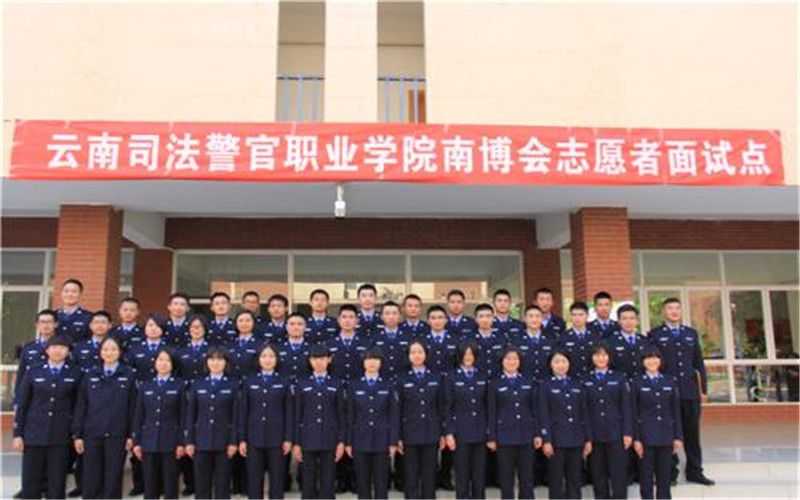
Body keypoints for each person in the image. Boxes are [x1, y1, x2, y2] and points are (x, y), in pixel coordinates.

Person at [647, 297, 714, 486]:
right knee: (668, 434)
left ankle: (695, 471)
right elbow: (653, 364)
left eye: (677, 308)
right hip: (667, 393)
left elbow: (698, 363)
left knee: (692, 434)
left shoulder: (690, 334)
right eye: (670, 308)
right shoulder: (655, 334)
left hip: (690, 392)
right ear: (664, 311)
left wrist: (703, 390)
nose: (674, 311)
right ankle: (670, 473)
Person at [13, 336, 80, 499]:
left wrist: (76, 433)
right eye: (54, 347)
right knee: (31, 482)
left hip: (60, 435)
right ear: (47, 350)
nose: (58, 350)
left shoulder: (75, 373)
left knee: (56, 482)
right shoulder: (34, 371)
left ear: (68, 352)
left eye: (62, 348)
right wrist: (17, 434)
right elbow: (23, 405)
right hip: (34, 434)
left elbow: (78, 406)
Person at [72, 336, 135, 499]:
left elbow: (133, 408)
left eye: (113, 349)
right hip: (92, 433)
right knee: (91, 477)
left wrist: (131, 435)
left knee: (113, 477)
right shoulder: (90, 374)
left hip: (117, 434)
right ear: (100, 352)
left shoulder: (128, 374)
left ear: (119, 352)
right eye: (105, 349)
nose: (109, 353)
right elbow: (81, 406)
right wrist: (78, 435)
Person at [238, 344, 294, 499]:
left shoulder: (284, 381)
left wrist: (288, 438)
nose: (267, 360)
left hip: (277, 439)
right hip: (254, 438)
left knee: (277, 481)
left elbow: (289, 412)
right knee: (254, 482)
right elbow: (243, 412)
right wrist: (242, 439)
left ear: (277, 359)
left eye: (271, 356)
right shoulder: (249, 381)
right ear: (258, 359)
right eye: (264, 356)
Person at [131, 348, 186, 500]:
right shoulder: (145, 386)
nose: (163, 364)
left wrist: (181, 442)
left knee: (170, 485)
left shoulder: (179, 385)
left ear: (173, 364)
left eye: (167, 361)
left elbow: (183, 416)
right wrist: (136, 442)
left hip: (171, 442)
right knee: (150, 485)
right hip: (148, 441)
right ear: (155, 363)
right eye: (160, 360)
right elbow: (139, 416)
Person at [293, 344, 347, 499]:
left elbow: (341, 415)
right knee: (308, 483)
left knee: (328, 482)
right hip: (307, 439)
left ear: (329, 360)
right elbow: (297, 415)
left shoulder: (337, 383)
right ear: (310, 361)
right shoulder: (302, 384)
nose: (319, 362)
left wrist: (341, 441)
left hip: (330, 439)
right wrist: (296, 443)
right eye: (315, 359)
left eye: (322, 358)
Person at [487, 346, 541, 500]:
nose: (512, 362)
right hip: (504, 437)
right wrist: (491, 437)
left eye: (515, 359)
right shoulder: (495, 383)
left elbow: (535, 409)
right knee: (506, 480)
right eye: (508, 359)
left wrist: (537, 433)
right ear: (502, 361)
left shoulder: (529, 381)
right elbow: (492, 412)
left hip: (526, 436)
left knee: (527, 480)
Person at [185, 347, 239, 499]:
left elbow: (235, 416)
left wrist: (233, 441)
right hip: (201, 441)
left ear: (226, 363)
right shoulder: (197, 384)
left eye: (220, 359)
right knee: (202, 484)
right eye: (212, 359)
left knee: (223, 484)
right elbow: (191, 415)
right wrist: (189, 441)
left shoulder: (233, 385)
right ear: (206, 362)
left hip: (224, 441)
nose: (216, 363)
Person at [346, 348, 400, 499]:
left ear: (381, 363)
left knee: (381, 483)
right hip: (360, 440)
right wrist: (348, 442)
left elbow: (394, 415)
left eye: (375, 359)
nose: (372, 363)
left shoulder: (388, 385)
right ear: (363, 362)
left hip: (382, 441)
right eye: (368, 359)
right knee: (362, 484)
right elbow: (350, 416)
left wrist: (393, 442)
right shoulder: (354, 385)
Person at [396, 340, 447, 499]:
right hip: (409, 434)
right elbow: (397, 410)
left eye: (420, 352)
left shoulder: (436, 377)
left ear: (426, 354)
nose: (417, 355)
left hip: (431, 433)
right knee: (410, 475)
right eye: (413, 352)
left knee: (429, 474)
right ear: (408, 356)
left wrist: (443, 433)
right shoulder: (401, 378)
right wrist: (398, 436)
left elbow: (441, 407)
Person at [125, 313, 169, 496]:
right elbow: (130, 372)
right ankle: (139, 483)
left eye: (156, 326)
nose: (153, 329)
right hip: (140, 397)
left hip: (164, 396)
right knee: (141, 439)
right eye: (150, 325)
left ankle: (161, 485)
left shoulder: (169, 349)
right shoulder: (135, 349)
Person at [539, 349, 592, 499]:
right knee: (555, 480)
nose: (560, 365)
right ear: (550, 365)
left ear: (569, 364)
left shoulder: (577, 384)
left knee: (575, 479)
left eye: (563, 361)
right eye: (556, 362)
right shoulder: (545, 385)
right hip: (556, 440)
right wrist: (546, 440)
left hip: (576, 438)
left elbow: (584, 413)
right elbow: (543, 414)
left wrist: (588, 438)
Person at [631, 349, 683, 499]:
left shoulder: (670, 381)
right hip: (645, 437)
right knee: (646, 476)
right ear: (643, 362)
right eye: (648, 358)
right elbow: (634, 413)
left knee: (664, 476)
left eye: (655, 358)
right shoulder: (636, 382)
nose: (652, 361)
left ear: (660, 361)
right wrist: (636, 439)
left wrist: (678, 436)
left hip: (666, 435)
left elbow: (675, 411)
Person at [584, 344, 632, 499]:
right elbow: (583, 411)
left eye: (604, 355)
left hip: (616, 432)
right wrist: (587, 436)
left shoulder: (619, 378)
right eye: (597, 355)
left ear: (609, 357)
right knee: (598, 472)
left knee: (619, 472)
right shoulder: (585, 379)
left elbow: (626, 407)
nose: (601, 358)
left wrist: (627, 432)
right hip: (595, 434)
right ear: (592, 357)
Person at [445, 342, 488, 499]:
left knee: (479, 475)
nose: (468, 357)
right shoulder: (451, 376)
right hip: (460, 433)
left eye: (471, 354)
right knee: (462, 474)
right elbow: (447, 407)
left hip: (480, 432)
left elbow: (488, 406)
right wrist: (449, 433)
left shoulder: (483, 375)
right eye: (465, 354)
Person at [421, 305, 458, 491]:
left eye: (440, 318)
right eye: (433, 318)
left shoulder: (454, 340)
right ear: (428, 321)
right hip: (427, 390)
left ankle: (445, 475)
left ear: (446, 320)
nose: (437, 321)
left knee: (447, 429)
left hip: (450, 389)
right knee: (428, 431)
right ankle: (429, 476)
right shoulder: (421, 341)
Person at [176, 315, 209, 496]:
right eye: (193, 327)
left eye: (199, 327)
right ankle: (190, 482)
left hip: (207, 399)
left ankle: (207, 481)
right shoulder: (181, 351)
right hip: (186, 398)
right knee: (188, 437)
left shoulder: (211, 350)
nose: (196, 330)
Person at [14, 309, 59, 407]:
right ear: (37, 325)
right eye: (42, 322)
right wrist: (17, 401)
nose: (45, 325)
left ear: (56, 324)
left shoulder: (64, 346)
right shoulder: (28, 348)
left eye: (49, 322)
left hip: (56, 398)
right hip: (32, 397)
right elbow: (21, 375)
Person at [558, 301, 601, 378]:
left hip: (592, 378)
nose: (577, 318)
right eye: (574, 315)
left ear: (587, 316)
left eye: (581, 315)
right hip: (572, 378)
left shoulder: (595, 336)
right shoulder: (563, 337)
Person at [371, 301, 412, 382]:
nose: (391, 317)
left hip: (403, 380)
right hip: (381, 380)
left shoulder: (408, 336)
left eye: (394, 313)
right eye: (387, 313)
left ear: (400, 316)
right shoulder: (374, 337)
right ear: (381, 316)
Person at [472, 303, 507, 380]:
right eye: (481, 316)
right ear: (476, 319)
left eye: (488, 316)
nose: (485, 320)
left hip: (498, 380)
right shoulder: (470, 339)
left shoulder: (502, 339)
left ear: (493, 318)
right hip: (476, 381)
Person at [55, 278, 93, 345]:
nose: (70, 294)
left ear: (80, 294)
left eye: (74, 292)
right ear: (61, 293)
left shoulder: (89, 317)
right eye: (66, 291)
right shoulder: (54, 315)